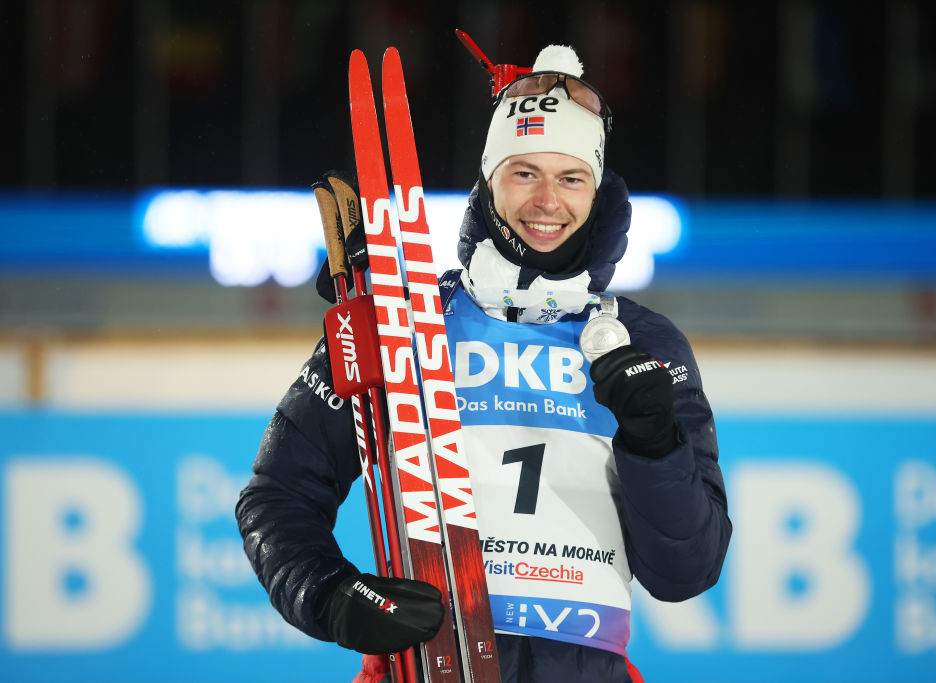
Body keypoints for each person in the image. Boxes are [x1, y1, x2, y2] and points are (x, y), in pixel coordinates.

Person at [237, 43, 731, 683]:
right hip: (427, 664)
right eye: (523, 172)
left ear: (598, 189)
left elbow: (686, 570)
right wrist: (330, 598)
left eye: (571, 177)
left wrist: (653, 441)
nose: (547, 201)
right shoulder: (405, 319)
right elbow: (277, 496)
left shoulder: (646, 346)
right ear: (489, 179)